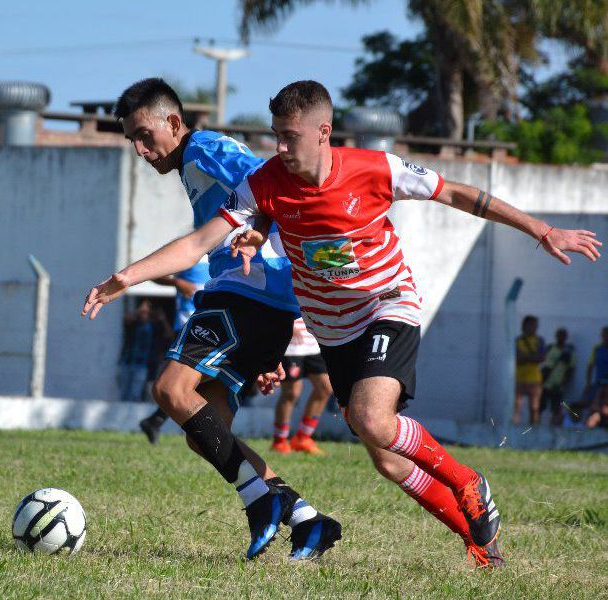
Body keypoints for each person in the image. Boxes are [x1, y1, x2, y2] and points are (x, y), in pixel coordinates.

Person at [84, 79, 601, 568]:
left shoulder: (363, 167)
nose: (280, 149)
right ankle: (476, 542)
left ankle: (468, 483)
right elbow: (217, 228)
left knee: (362, 418)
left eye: (290, 137)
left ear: (322, 132)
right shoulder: (265, 182)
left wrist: (541, 229)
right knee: (379, 454)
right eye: (277, 138)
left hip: (376, 303)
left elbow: (456, 193)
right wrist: (244, 233)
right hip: (331, 325)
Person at [84, 78, 341, 561]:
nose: (141, 150)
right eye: (131, 141)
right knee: (207, 432)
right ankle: (306, 518)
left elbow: (274, 182)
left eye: (145, 135)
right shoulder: (191, 165)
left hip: (247, 293)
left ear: (174, 123)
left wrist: (128, 277)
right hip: (257, 303)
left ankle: (258, 503)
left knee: (171, 391)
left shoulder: (204, 149)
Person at [139, 258, 210, 443]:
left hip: (213, 327)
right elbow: (155, 271)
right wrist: (177, 282)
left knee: (197, 382)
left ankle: (155, 421)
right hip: (189, 325)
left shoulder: (227, 251)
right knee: (184, 381)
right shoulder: (193, 252)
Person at [271, 318, 332, 456]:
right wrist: (286, 325)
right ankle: (279, 441)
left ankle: (303, 438)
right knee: (291, 393)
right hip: (291, 347)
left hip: (313, 344)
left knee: (325, 388)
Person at [540, 328, 575, 426]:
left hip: (557, 385)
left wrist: (563, 382)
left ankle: (553, 428)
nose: (561, 337)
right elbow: (542, 362)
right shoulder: (550, 348)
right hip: (545, 384)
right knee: (539, 407)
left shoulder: (569, 351)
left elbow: (571, 369)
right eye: (559, 335)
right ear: (556, 336)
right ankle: (536, 427)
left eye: (563, 335)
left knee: (556, 410)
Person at [514, 315, 545, 425]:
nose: (534, 328)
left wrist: (525, 357)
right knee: (517, 407)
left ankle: (534, 431)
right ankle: (514, 430)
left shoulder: (540, 340)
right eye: (532, 326)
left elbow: (541, 357)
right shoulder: (517, 340)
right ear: (525, 326)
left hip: (534, 380)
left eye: (536, 326)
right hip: (519, 378)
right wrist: (532, 357)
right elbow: (516, 358)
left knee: (534, 408)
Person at [584, 327, 608, 428]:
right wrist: (588, 383)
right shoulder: (597, 349)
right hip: (598, 384)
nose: (605, 338)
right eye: (604, 335)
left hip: (605, 386)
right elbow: (590, 366)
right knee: (592, 411)